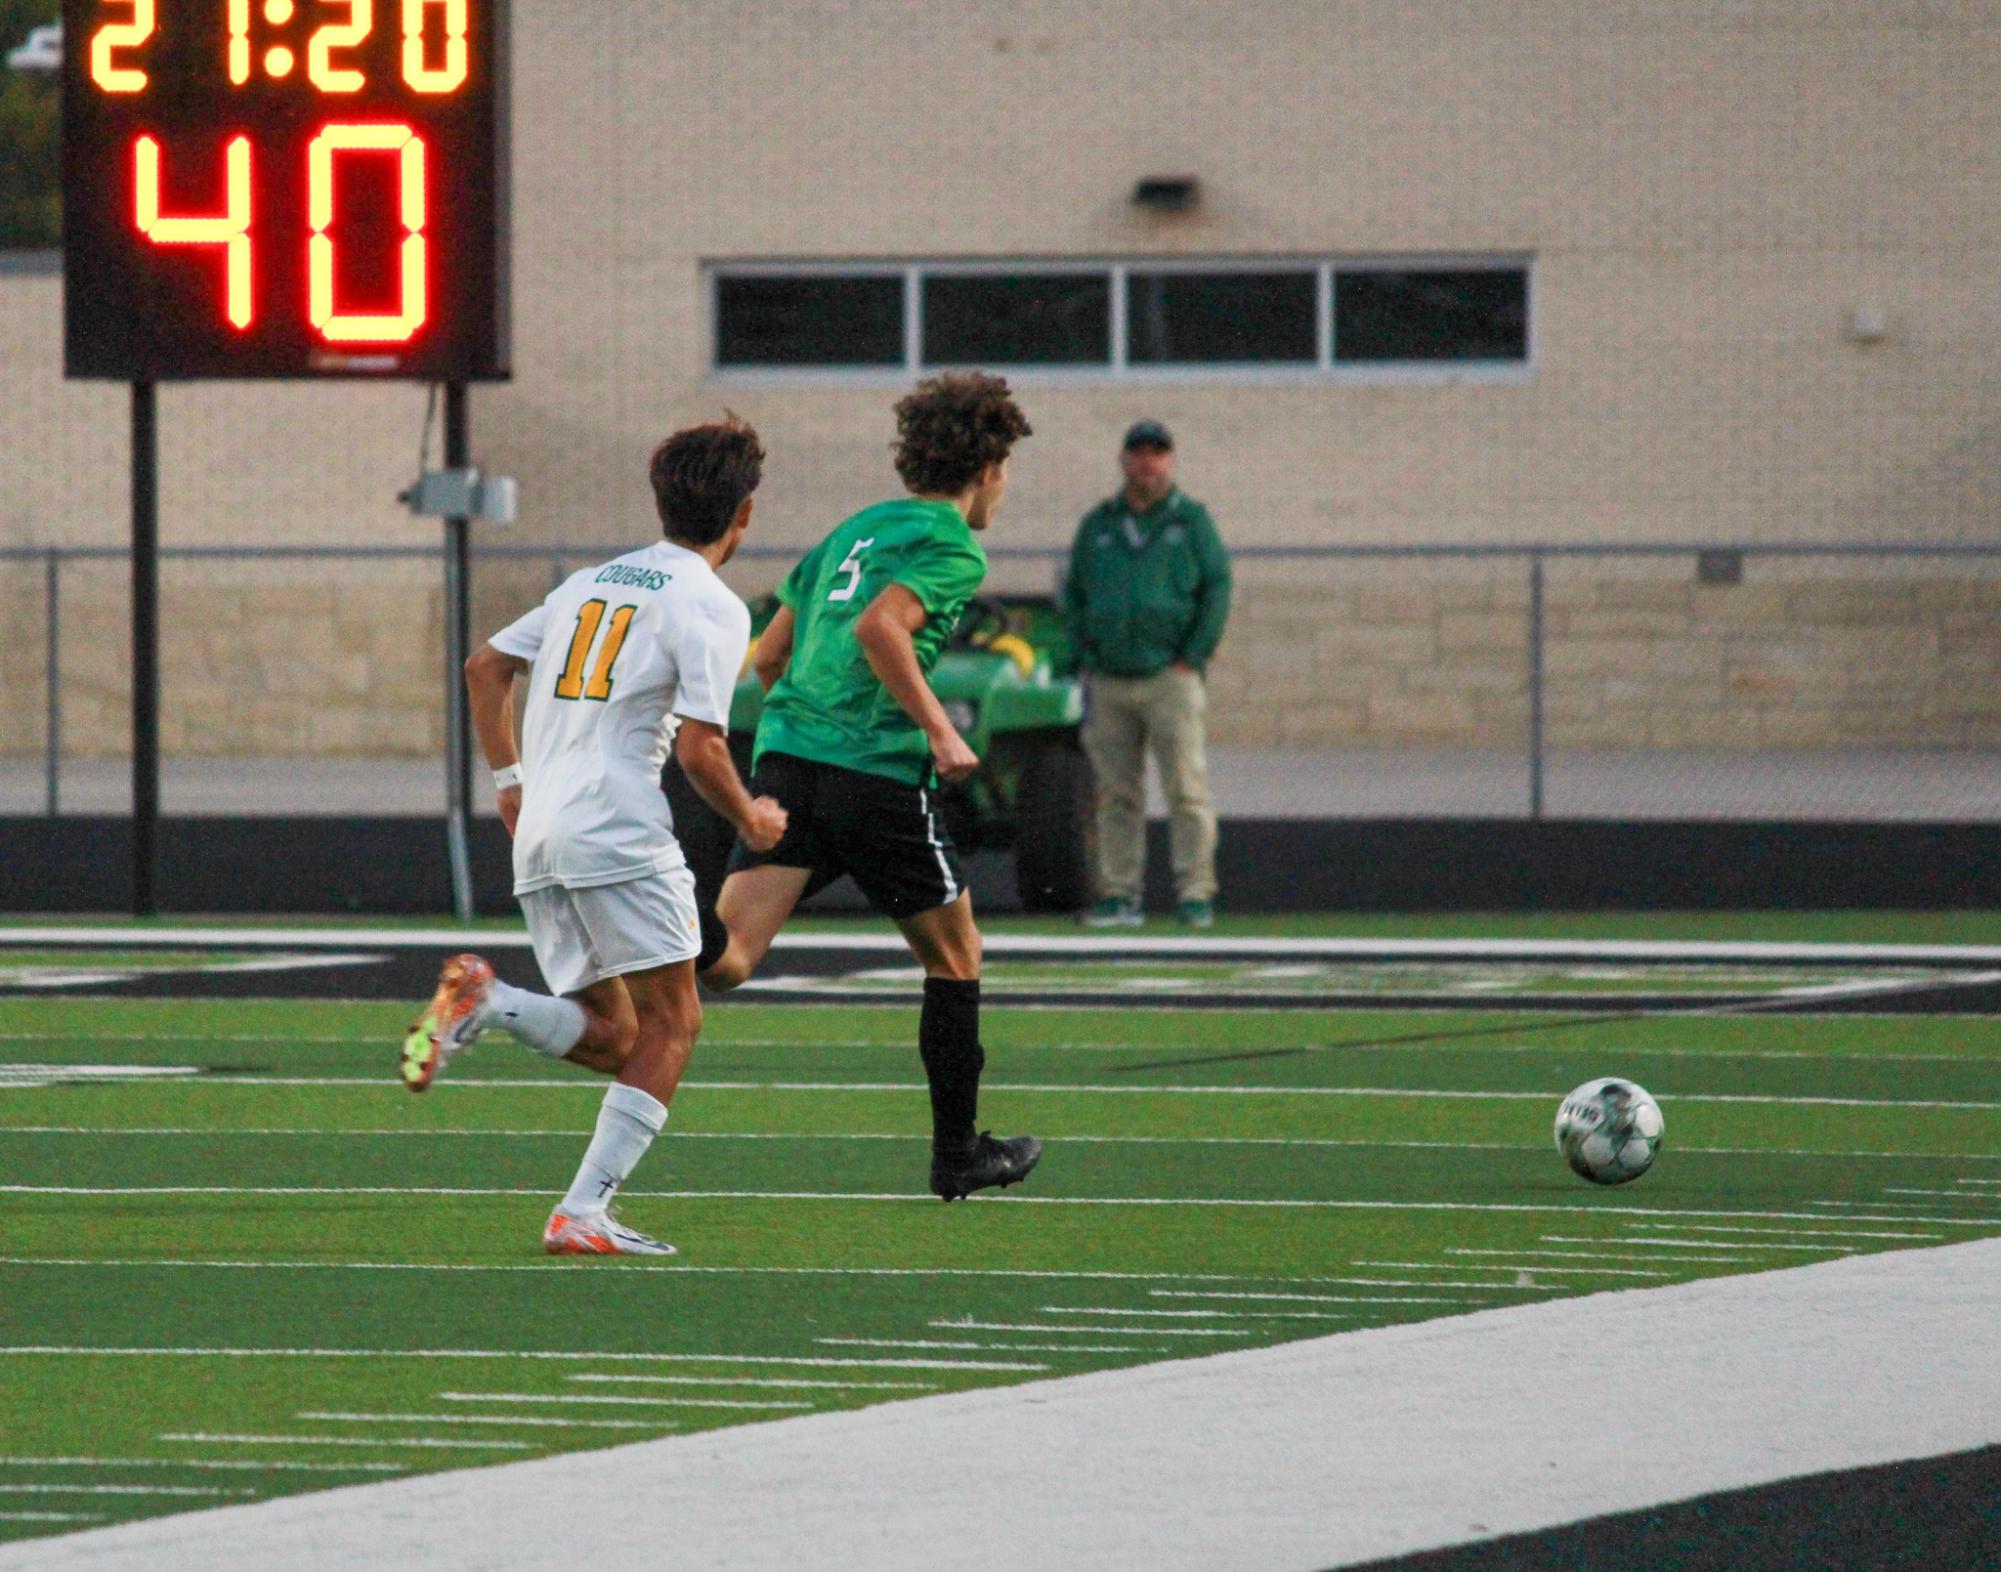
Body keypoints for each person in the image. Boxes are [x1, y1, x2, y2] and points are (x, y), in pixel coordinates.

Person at [399, 415, 788, 1258]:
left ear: (661, 499)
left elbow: (484, 667)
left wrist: (509, 784)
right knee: (673, 1025)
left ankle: (491, 1001)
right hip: (615, 830)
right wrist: (752, 818)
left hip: (542, 832)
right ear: (743, 514)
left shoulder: (589, 584)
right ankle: (581, 1212)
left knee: (617, 1037)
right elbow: (701, 746)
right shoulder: (712, 604)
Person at [698, 372, 1042, 1203]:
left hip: (788, 761)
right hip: (875, 775)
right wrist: (939, 728)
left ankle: (632, 902)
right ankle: (957, 1155)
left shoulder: (851, 531)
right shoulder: (953, 544)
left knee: (728, 958)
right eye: (1004, 468)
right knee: (955, 956)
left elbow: (770, 656)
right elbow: (880, 626)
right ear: (987, 465)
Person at [1061, 420, 1232, 928]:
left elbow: (1217, 587)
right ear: (1123, 460)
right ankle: (1118, 894)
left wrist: (1192, 655)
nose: (1147, 462)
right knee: (1115, 793)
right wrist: (1086, 652)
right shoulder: (1100, 524)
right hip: (1110, 678)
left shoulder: (1191, 521)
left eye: (1157, 453)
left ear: (1170, 461)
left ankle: (1195, 892)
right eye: (1138, 452)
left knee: (1186, 788)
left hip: (1170, 677)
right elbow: (1074, 593)